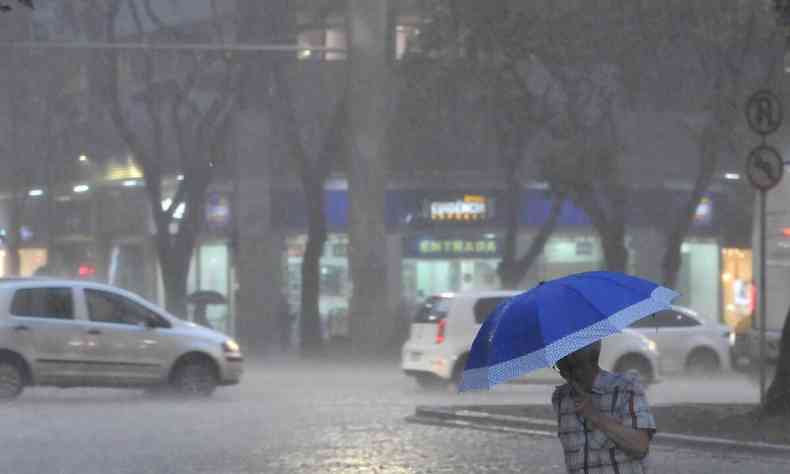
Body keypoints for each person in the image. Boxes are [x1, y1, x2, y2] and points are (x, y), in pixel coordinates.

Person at [551, 340, 657, 473]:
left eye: (562, 356)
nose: (558, 365)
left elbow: (640, 446)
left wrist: (595, 416)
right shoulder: (561, 397)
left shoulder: (625, 387)